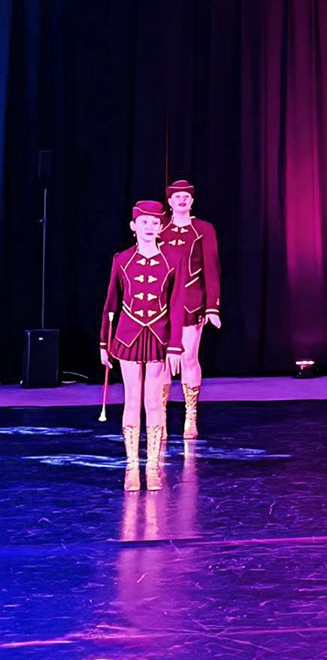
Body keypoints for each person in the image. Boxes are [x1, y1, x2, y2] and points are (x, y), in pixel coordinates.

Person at [100, 201, 185, 491]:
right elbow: (111, 303)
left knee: (154, 402)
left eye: (155, 222)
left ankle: (152, 467)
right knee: (132, 400)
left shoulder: (174, 259)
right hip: (127, 336)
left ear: (161, 227)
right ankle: (131, 467)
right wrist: (104, 342)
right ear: (133, 226)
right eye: (144, 222)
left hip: (159, 337)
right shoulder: (121, 259)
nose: (150, 227)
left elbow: (177, 304)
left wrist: (175, 345)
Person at [159, 179, 221, 439]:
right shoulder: (159, 228)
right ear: (170, 202)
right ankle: (159, 417)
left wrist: (212, 307)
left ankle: (190, 416)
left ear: (192, 201)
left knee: (188, 358)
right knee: (161, 361)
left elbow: (212, 268)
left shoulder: (203, 229)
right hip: (161, 304)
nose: (182, 200)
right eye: (177, 197)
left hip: (191, 301)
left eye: (186, 196)